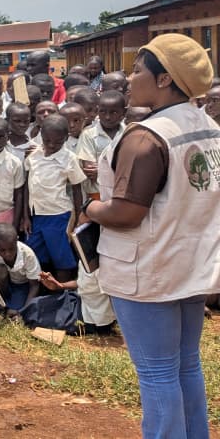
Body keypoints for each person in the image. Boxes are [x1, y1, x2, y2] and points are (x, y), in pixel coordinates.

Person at [84, 34, 220, 438]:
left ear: (165, 80)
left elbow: (125, 213)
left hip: (148, 272)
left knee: (158, 372)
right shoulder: (207, 125)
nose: (130, 78)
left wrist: (91, 208)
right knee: (185, 364)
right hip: (192, 264)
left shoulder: (146, 137)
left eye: (139, 69)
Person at [22, 114, 84, 281]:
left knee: (61, 258)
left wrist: (79, 217)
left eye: (58, 142)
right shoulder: (34, 154)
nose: (51, 145)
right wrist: (26, 216)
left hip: (59, 215)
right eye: (47, 141)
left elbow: (77, 190)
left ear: (66, 138)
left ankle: (63, 295)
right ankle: (43, 294)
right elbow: (28, 185)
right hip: (37, 215)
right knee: (35, 255)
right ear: (41, 135)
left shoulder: (69, 158)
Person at [0, 223, 40, 315]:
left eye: (11, 249)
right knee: (0, 270)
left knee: (13, 312)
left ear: (17, 240)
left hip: (21, 286)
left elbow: (34, 285)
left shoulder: (27, 254)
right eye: (2, 250)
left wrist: (25, 311)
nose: (7, 254)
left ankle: (7, 307)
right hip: (1, 284)